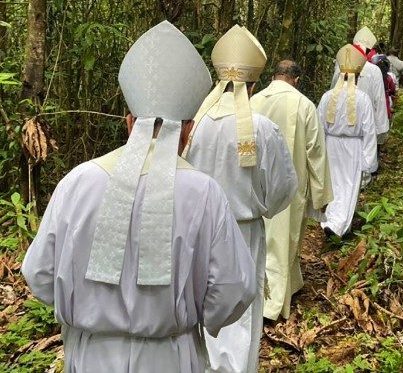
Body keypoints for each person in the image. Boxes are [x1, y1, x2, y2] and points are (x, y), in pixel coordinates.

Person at [21, 21, 257, 372]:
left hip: (90, 356)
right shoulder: (204, 193)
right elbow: (233, 289)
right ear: (188, 131)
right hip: (170, 356)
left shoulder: (78, 182)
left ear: (129, 123)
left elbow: (39, 273)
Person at [186, 25, 298, 373]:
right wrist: (258, 207)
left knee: (198, 305)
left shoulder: (192, 125)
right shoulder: (261, 129)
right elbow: (283, 189)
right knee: (239, 316)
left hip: (195, 231)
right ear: (253, 85)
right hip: (243, 233)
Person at [249, 60, 333, 322]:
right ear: (296, 80)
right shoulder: (304, 104)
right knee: (285, 239)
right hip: (289, 185)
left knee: (260, 237)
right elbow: (315, 152)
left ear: (275, 76)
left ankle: (264, 291)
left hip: (254, 184)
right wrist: (321, 195)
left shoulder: (253, 101)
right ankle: (273, 305)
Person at [318, 44, 378, 237]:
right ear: (358, 76)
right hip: (354, 147)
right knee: (348, 186)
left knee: (334, 183)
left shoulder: (327, 97)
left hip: (331, 145)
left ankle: (332, 221)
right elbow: (369, 130)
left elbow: (318, 127)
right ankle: (338, 225)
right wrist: (369, 161)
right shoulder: (363, 99)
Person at [331, 26, 389, 147]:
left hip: (338, 127)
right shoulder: (374, 70)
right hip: (365, 129)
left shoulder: (340, 66)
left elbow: (333, 93)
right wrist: (381, 132)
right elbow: (379, 101)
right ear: (369, 50)